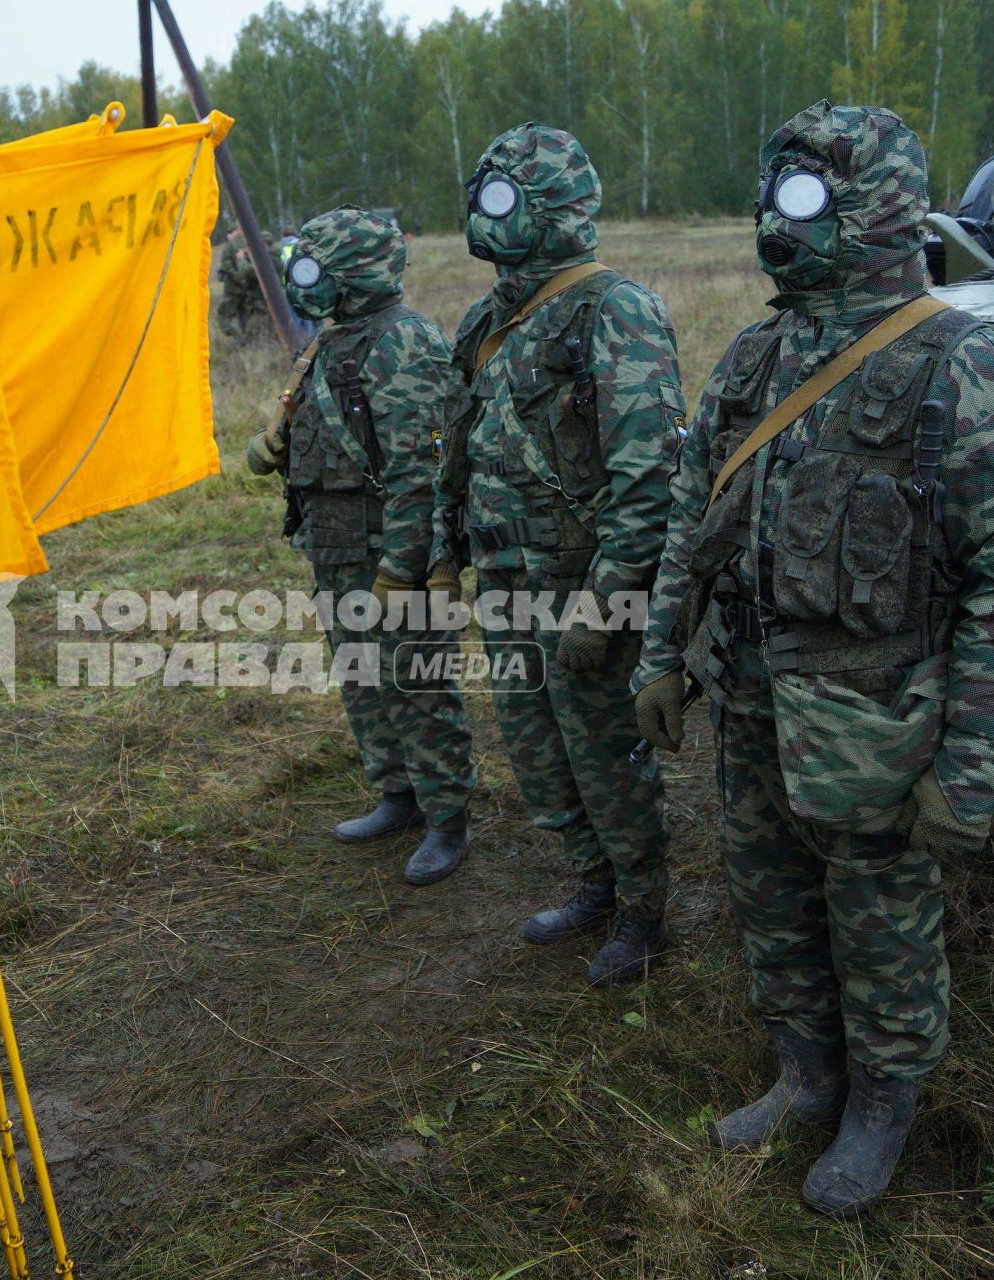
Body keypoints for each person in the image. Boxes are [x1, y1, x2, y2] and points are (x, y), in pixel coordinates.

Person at [631, 101, 994, 1217]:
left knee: (879, 923)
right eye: (772, 190)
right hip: (750, 701)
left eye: (804, 193)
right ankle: (803, 1072)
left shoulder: (968, 366)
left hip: (879, 722)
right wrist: (658, 657)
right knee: (770, 902)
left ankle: (882, 1102)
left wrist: (971, 767)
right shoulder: (753, 357)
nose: (776, 217)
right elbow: (694, 517)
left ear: (873, 204)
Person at [434, 123, 685, 985]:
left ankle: (646, 910)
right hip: (505, 583)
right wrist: (443, 552)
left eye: (504, 198)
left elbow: (650, 476)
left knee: (605, 753)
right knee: (538, 750)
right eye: (483, 195)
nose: (486, 214)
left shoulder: (615, 310)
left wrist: (607, 599)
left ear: (551, 209)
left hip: (580, 588)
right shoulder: (484, 321)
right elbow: (454, 452)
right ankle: (594, 883)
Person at [245, 206, 477, 886]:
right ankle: (397, 794)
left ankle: (446, 816)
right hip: (336, 546)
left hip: (392, 551)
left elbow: (420, 475)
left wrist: (401, 572)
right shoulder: (328, 342)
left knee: (418, 684)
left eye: (316, 267)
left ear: (353, 272)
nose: (304, 281)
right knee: (363, 679)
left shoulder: (402, 343)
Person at [215, 235, 265, 339]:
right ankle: (247, 339)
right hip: (247, 290)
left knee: (223, 316)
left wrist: (239, 279)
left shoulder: (230, 248)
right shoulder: (250, 246)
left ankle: (240, 338)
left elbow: (230, 268)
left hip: (233, 290)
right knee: (244, 317)